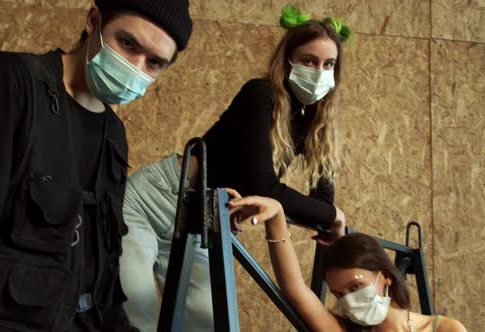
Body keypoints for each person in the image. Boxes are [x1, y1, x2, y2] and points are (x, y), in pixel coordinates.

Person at [119, 6, 350, 331]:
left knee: (209, 323)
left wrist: (329, 213)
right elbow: (264, 188)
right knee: (136, 315)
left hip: (204, 217)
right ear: (287, 60)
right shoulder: (261, 94)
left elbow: (322, 202)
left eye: (328, 64)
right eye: (308, 60)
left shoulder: (316, 122)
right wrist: (333, 217)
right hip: (155, 199)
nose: (318, 71)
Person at [0, 0, 192, 330]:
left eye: (154, 63)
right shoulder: (10, 83)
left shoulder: (113, 136)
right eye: (127, 43)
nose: (135, 66)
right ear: (94, 20)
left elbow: (101, 274)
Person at [227, 194, 468, 332]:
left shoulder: (446, 330)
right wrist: (276, 216)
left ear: (386, 277)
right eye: (339, 294)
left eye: (355, 287)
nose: (350, 301)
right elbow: (296, 290)